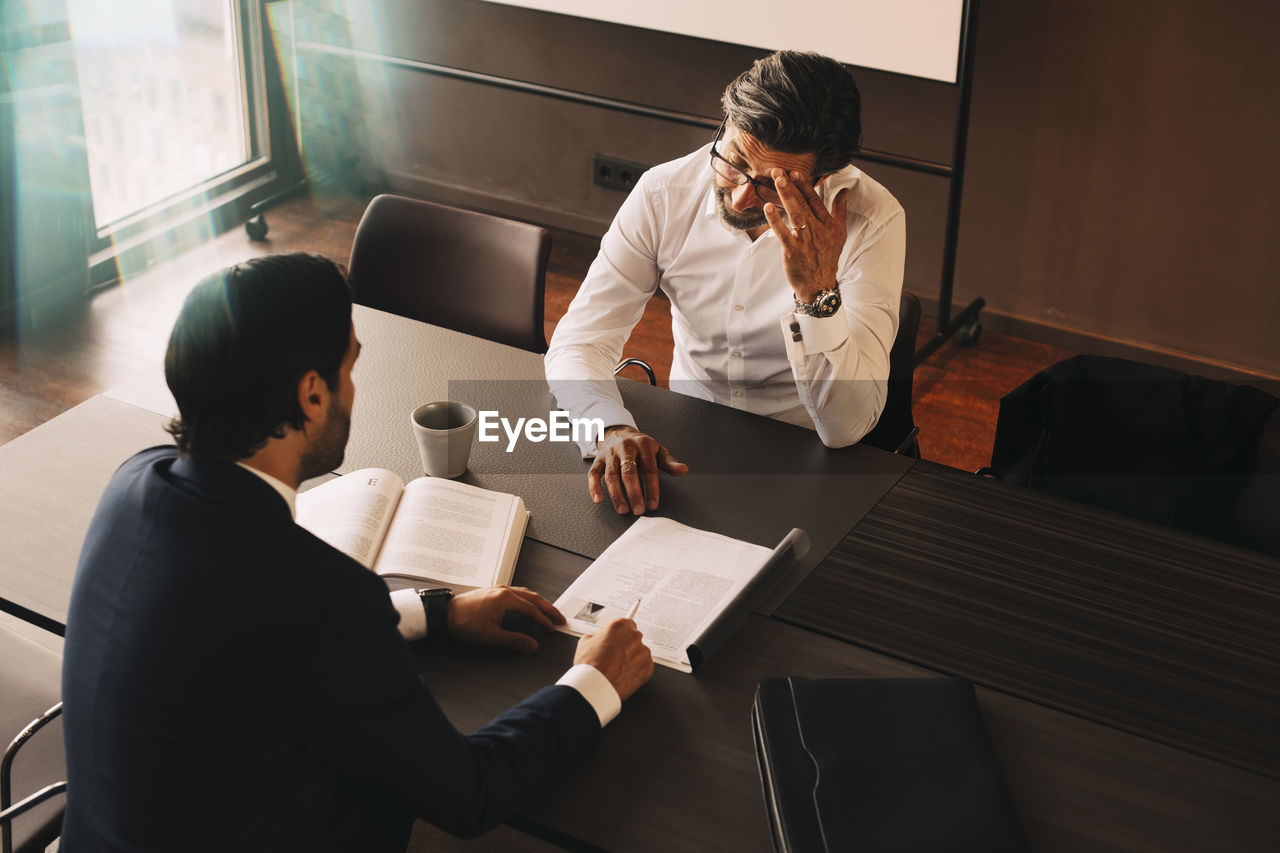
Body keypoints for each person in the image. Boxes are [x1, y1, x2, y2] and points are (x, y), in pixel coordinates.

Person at [60, 253, 653, 851]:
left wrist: (437, 611)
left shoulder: (137, 480)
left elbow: (251, 630)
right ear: (311, 395)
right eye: (349, 368)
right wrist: (594, 680)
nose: (352, 389)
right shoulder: (326, 598)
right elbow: (468, 793)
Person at [545, 50, 906, 516]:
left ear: (823, 177)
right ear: (724, 125)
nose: (738, 195)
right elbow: (580, 339)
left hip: (807, 451)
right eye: (733, 161)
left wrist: (817, 294)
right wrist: (608, 426)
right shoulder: (663, 194)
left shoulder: (872, 221)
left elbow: (846, 428)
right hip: (689, 437)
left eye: (774, 184)